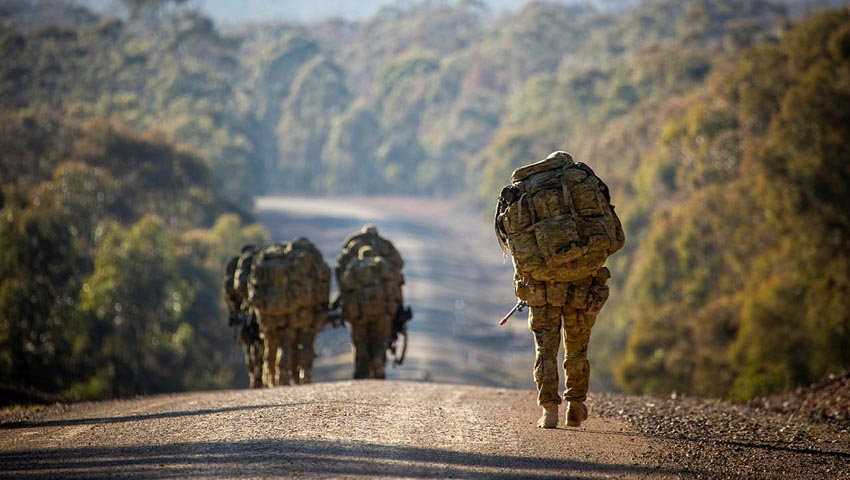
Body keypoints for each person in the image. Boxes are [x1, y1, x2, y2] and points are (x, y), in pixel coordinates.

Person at [495, 151, 624, 428]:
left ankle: (549, 411)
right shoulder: (582, 183)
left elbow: (518, 252)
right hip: (583, 284)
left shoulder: (522, 192)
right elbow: (615, 239)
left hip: (542, 288)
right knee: (577, 350)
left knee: (545, 350)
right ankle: (575, 407)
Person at [339, 245, 403, 379]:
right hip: (382, 313)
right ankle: (378, 362)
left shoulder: (354, 267)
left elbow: (345, 285)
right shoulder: (382, 266)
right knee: (380, 340)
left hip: (360, 313)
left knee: (361, 342)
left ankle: (362, 373)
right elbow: (395, 288)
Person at [224, 244, 264, 388]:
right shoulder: (261, 265)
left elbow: (230, 294)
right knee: (264, 340)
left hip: (244, 312)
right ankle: (264, 374)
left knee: (249, 345)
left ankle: (254, 376)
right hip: (261, 309)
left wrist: (237, 309)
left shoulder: (237, 271)